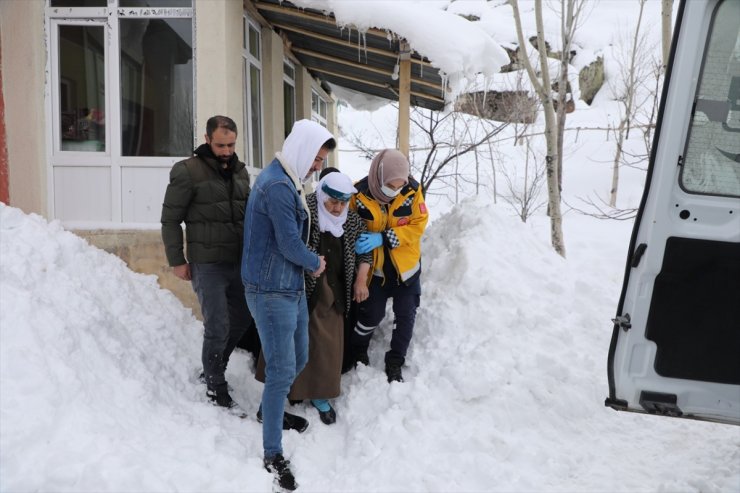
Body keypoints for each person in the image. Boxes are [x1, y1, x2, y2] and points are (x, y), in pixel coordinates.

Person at [241, 119, 335, 491]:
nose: (318, 165)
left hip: (288, 284)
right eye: (316, 157)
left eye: (322, 160)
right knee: (282, 369)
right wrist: (315, 263)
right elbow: (288, 244)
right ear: (301, 148)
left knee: (297, 358)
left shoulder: (288, 177)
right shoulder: (278, 186)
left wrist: (304, 269)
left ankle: (271, 410)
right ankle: (271, 452)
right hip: (270, 289)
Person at [255, 168, 372, 425]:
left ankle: (319, 394)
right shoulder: (303, 211)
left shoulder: (351, 221)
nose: (338, 208)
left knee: (326, 346)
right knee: (289, 342)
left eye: (343, 202)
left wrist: (361, 279)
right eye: (332, 201)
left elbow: (365, 253)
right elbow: (285, 241)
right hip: (298, 287)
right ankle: (280, 396)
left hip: (333, 291)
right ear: (321, 195)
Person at [161, 115, 254, 411]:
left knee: (242, 318)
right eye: (220, 145)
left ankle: (215, 367)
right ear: (207, 139)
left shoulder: (241, 172)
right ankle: (215, 384)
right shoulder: (187, 171)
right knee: (217, 323)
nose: (226, 151)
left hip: (238, 261)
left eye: (231, 145)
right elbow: (170, 219)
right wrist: (177, 259)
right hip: (207, 263)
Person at [349, 149, 429, 383]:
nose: (394, 192)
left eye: (398, 186)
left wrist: (385, 237)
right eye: (390, 186)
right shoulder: (359, 194)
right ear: (379, 176)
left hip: (406, 270)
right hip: (375, 271)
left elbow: (418, 225)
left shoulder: (412, 191)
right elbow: (350, 226)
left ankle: (395, 361)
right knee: (370, 315)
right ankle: (358, 349)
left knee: (406, 316)